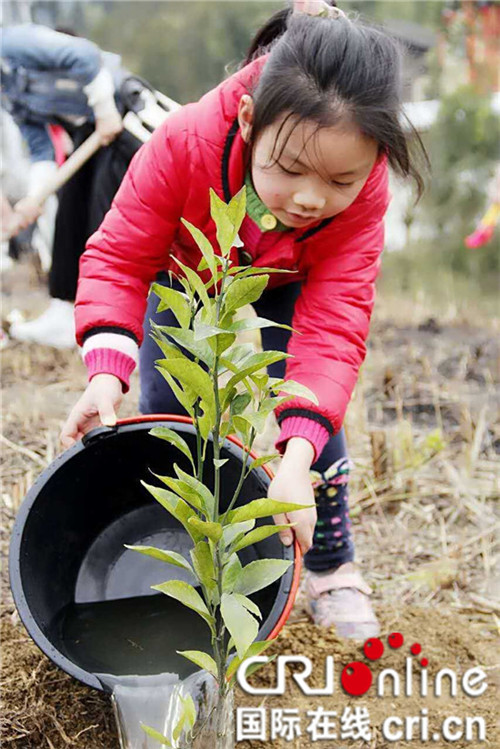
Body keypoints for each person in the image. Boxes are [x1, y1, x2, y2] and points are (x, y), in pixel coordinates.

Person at [61, 1, 427, 639]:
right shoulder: (186, 142)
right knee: (174, 409)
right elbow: (119, 258)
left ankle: (333, 567)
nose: (312, 198)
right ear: (250, 119)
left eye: (340, 179)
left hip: (295, 277)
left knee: (311, 418)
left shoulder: (363, 195)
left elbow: (335, 323)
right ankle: (186, 552)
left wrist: (295, 459)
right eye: (289, 171)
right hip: (190, 271)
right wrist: (105, 371)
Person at [0, 24, 142, 347]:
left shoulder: (11, 44)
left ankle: (115, 323)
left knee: (102, 218)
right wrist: (36, 197)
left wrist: (105, 111)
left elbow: (85, 56)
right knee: (68, 213)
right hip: (91, 130)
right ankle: (65, 313)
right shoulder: (8, 93)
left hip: (123, 111)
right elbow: (41, 151)